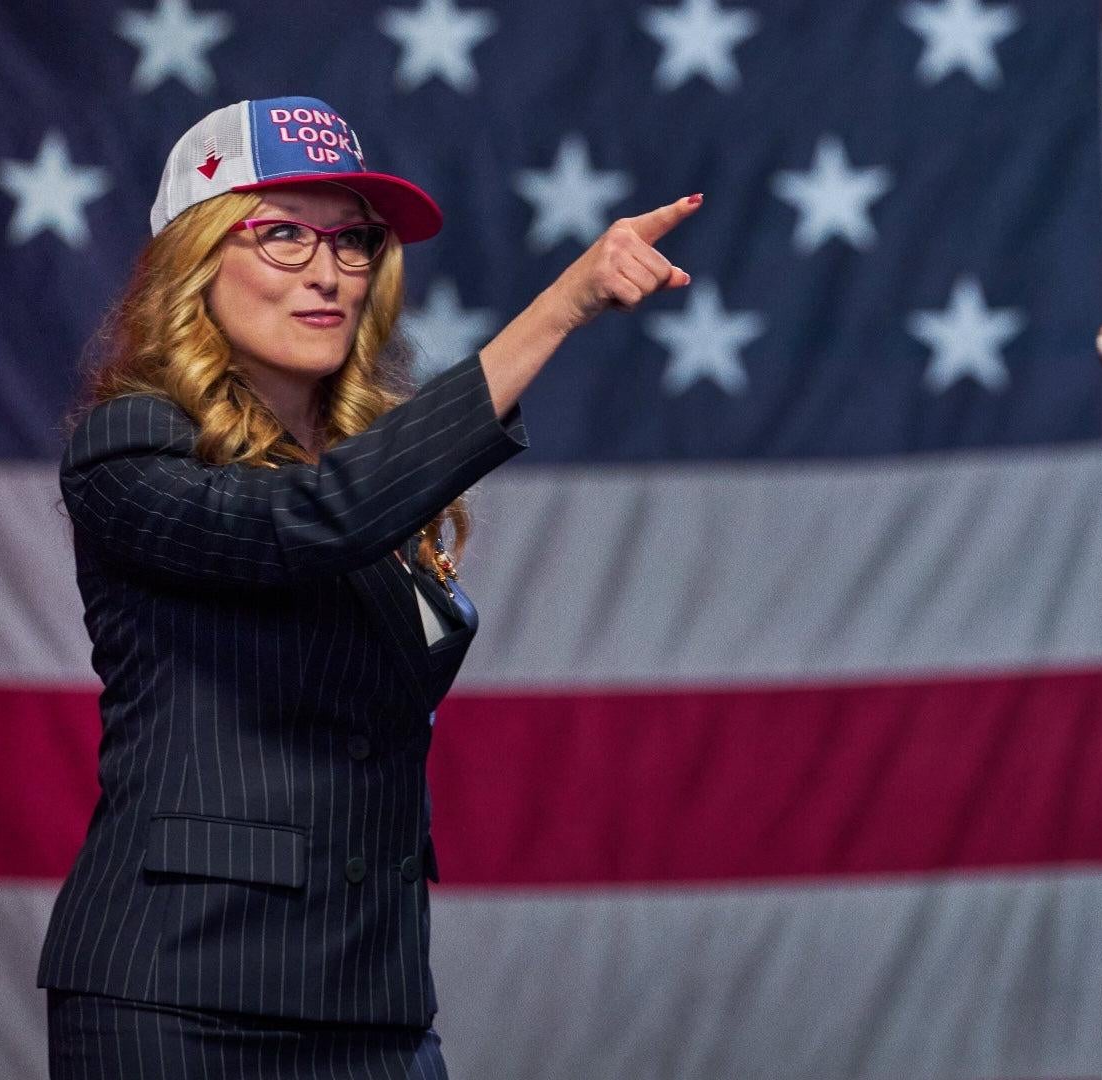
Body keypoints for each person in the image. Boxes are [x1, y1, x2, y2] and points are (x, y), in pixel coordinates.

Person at [37, 95, 698, 1078]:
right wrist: (559, 306)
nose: (326, 271)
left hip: (372, 1000)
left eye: (352, 241)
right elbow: (299, 524)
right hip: (178, 997)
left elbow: (341, 510)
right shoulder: (129, 447)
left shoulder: (376, 469)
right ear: (196, 259)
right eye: (281, 235)